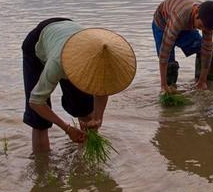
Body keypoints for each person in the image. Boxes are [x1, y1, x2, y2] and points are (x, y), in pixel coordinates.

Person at [23, 19, 136, 153]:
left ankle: (85, 164)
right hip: (37, 44)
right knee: (39, 122)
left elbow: (101, 88)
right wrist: (67, 129)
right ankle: (42, 168)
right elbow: (36, 102)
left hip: (71, 34)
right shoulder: (57, 63)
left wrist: (97, 118)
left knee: (85, 112)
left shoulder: (102, 58)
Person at [153, 0, 213, 94]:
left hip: (188, 24)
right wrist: (163, 85)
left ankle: (203, 84)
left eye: (205, 29)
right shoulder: (179, 17)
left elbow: (207, 49)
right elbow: (164, 53)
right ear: (196, 13)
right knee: (169, 64)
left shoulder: (207, 20)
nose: (202, 30)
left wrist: (202, 81)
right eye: (200, 26)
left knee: (208, 53)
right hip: (162, 24)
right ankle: (170, 89)